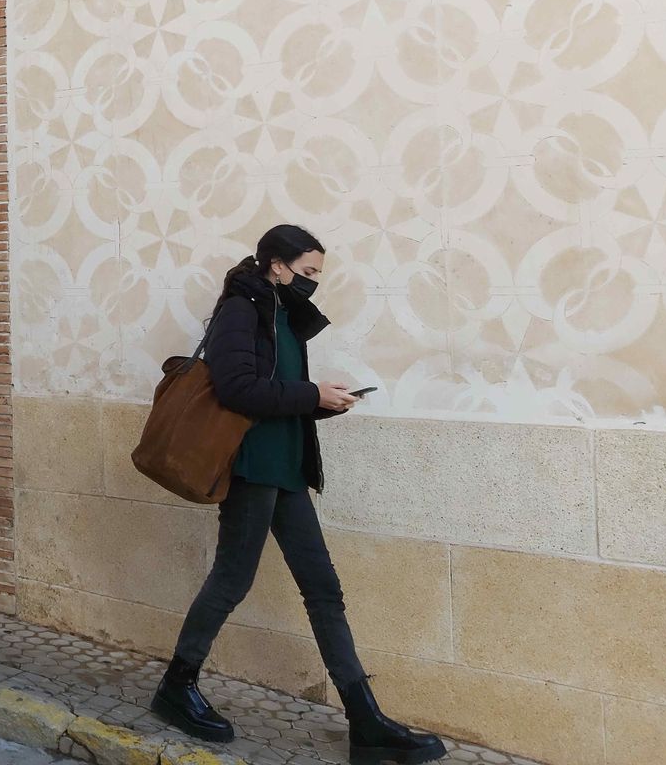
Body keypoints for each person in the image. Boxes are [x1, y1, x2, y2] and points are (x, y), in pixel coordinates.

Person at [149, 225, 447, 765]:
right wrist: (312, 392)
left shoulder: (282, 313)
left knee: (324, 589)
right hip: (253, 467)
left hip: (286, 467)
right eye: (307, 272)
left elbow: (274, 391)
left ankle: (366, 721)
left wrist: (322, 403)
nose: (312, 283)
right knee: (232, 580)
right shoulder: (241, 309)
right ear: (275, 264)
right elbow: (237, 388)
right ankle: (177, 684)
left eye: (316, 275)